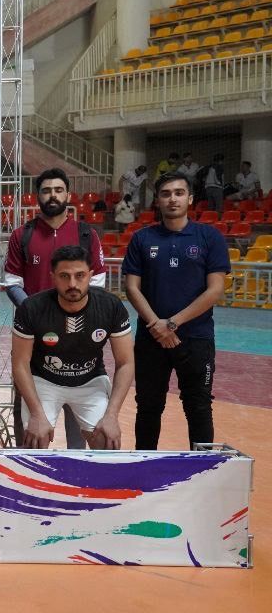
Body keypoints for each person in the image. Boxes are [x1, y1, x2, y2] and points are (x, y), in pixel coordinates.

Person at [2, 167, 107, 449]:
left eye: (58, 190)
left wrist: (71, 314)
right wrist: (39, 317)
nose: (52, 195)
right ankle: (26, 462)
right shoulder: (22, 235)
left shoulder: (86, 234)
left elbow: (97, 282)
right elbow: (12, 283)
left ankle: (76, 461)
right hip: (33, 337)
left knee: (78, 403)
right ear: (38, 195)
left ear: (68, 195)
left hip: (79, 336)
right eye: (46, 190)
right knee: (28, 407)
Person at [123, 171, 230, 449]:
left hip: (195, 338)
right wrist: (157, 325)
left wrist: (171, 324)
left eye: (179, 193)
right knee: (148, 406)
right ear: (157, 200)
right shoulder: (142, 238)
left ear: (190, 198)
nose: (173, 199)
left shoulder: (210, 237)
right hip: (151, 338)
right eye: (166, 194)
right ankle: (144, 464)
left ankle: (202, 468)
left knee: (198, 406)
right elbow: (132, 288)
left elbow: (215, 290)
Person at [11, 245, 134, 450]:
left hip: (90, 381)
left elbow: (126, 363)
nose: (72, 284)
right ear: (53, 277)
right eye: (64, 276)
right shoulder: (32, 308)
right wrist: (37, 414)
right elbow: (20, 364)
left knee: (107, 440)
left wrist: (112, 415)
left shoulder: (110, 306)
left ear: (90, 275)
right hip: (44, 380)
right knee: (35, 440)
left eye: (80, 275)